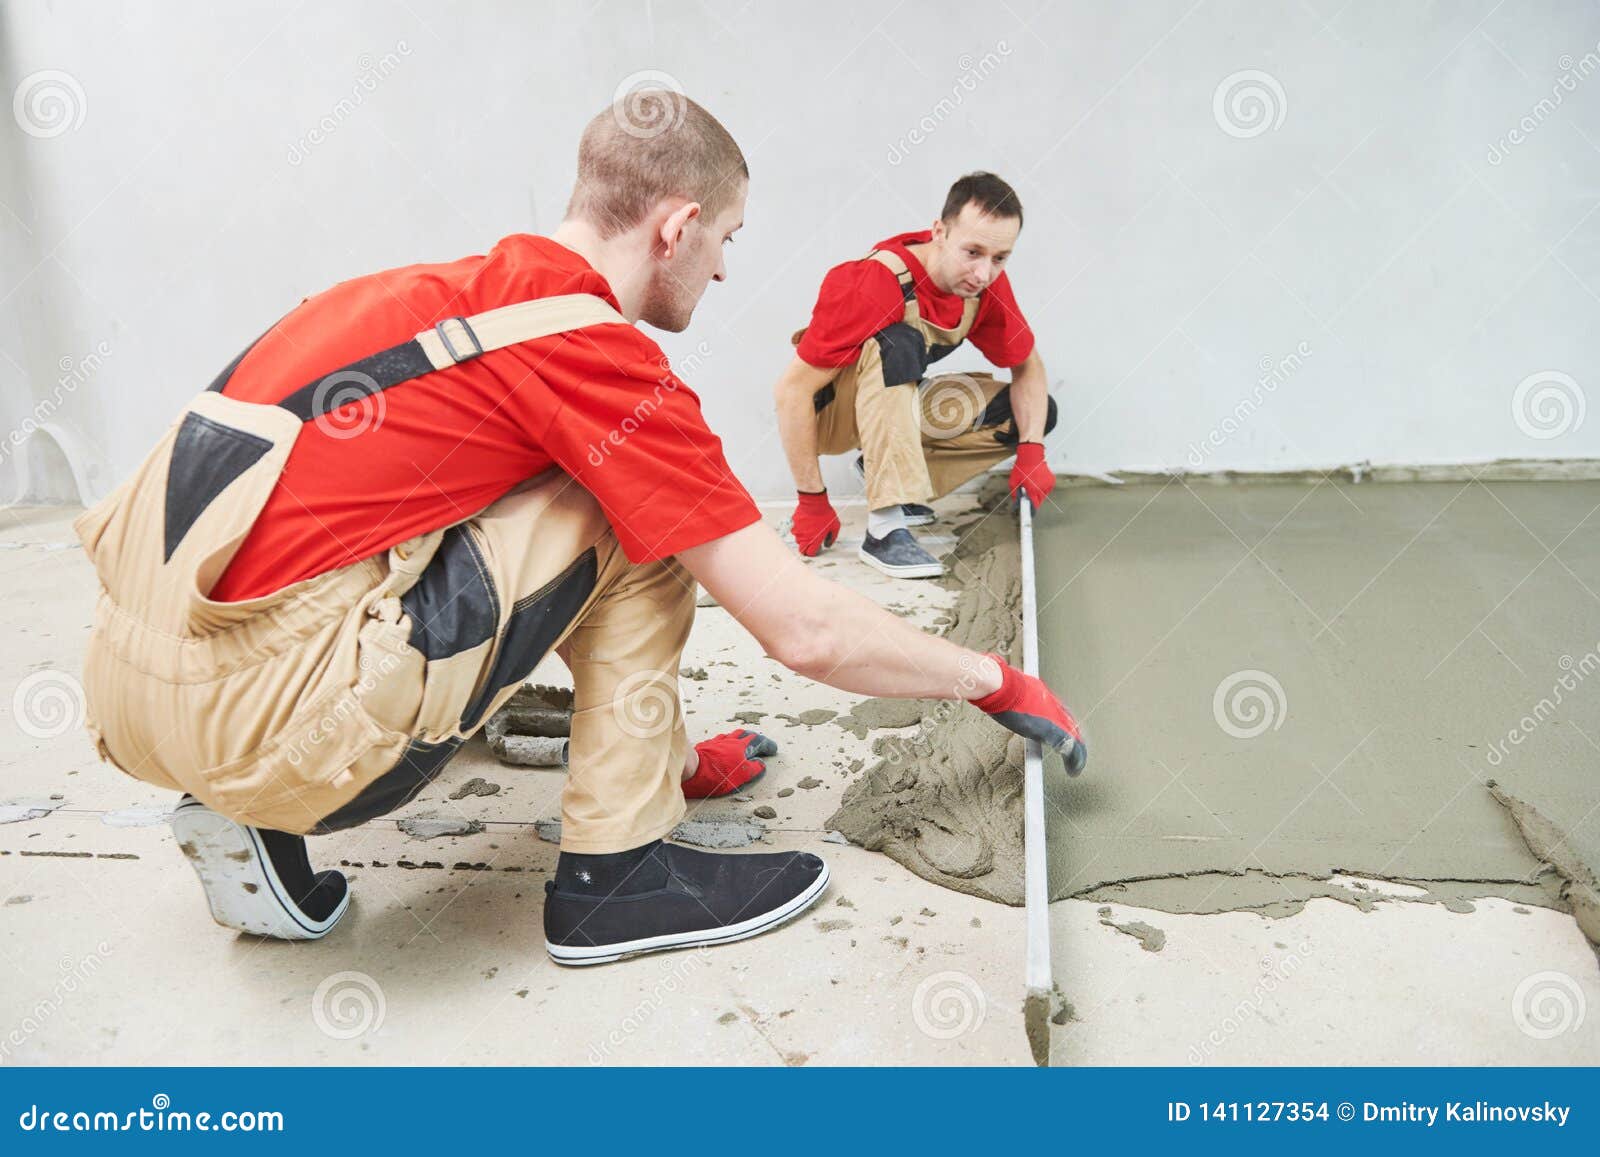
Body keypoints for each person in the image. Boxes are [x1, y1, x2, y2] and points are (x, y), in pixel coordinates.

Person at [73, 93, 1085, 967]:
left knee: (529, 493)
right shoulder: (592, 350)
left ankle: (234, 792)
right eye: (727, 240)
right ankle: (618, 871)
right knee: (631, 512)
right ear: (676, 225)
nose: (724, 271)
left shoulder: (408, 298)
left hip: (131, 694)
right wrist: (992, 678)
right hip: (278, 721)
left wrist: (666, 749)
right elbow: (802, 630)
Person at [774, 173, 1059, 578]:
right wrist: (812, 499)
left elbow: (1027, 364)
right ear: (939, 231)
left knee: (1032, 413)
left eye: (999, 258)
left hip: (890, 403)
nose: (983, 274)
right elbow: (791, 392)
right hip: (830, 416)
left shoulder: (984, 286)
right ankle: (885, 530)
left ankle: (889, 480)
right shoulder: (874, 281)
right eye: (973, 252)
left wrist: (1032, 450)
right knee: (898, 343)